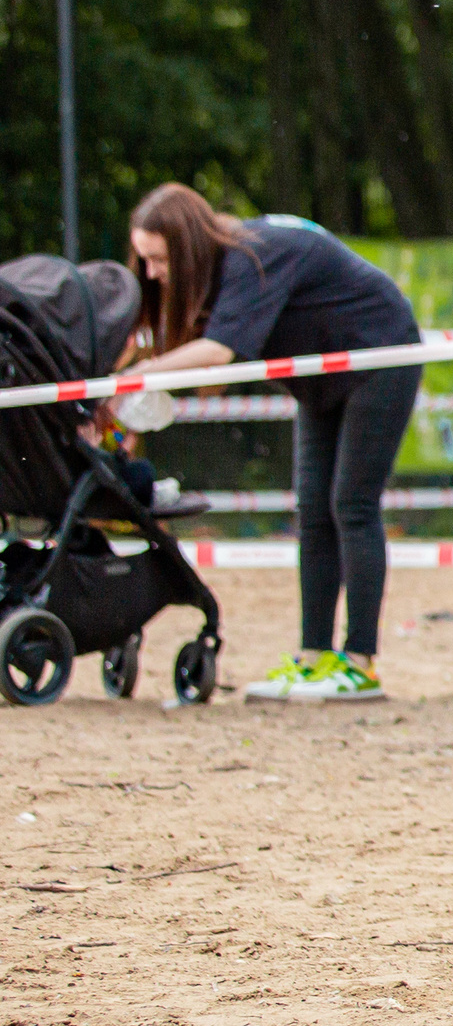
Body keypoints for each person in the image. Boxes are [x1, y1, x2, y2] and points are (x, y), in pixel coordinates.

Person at [123, 185, 421, 701]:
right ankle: (313, 658)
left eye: (159, 260)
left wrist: (142, 376)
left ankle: (359, 663)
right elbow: (208, 366)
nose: (152, 274)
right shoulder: (211, 280)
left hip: (379, 357)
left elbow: (217, 353)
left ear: (187, 246)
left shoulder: (250, 258)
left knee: (350, 505)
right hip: (320, 379)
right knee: (312, 510)